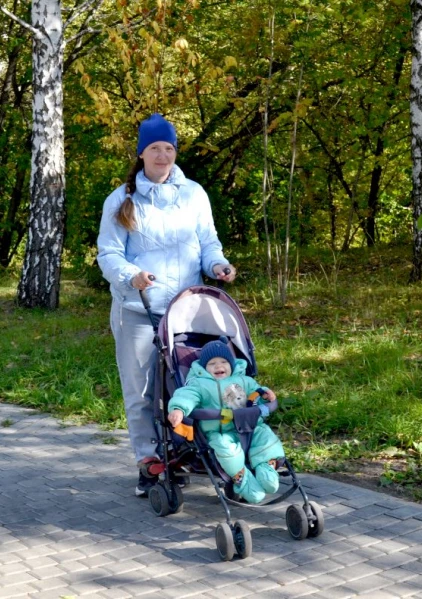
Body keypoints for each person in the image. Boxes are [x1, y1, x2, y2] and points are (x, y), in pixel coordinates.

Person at [97, 113, 237, 498]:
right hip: (137, 310)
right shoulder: (121, 200)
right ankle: (150, 461)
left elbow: (208, 242)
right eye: (155, 148)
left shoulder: (193, 193)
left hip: (186, 312)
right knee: (142, 391)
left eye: (169, 148)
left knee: (191, 384)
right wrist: (131, 275)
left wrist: (217, 265)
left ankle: (185, 451)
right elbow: (108, 254)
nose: (162, 155)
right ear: (142, 153)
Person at [166, 338, 284, 504]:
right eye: (212, 363)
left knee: (266, 437)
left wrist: (265, 394)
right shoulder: (199, 384)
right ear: (204, 368)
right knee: (226, 449)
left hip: (249, 427)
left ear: (231, 364)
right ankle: (241, 478)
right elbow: (186, 396)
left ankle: (266, 466)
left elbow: (256, 393)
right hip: (220, 431)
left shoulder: (244, 380)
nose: (218, 366)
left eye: (223, 362)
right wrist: (179, 409)